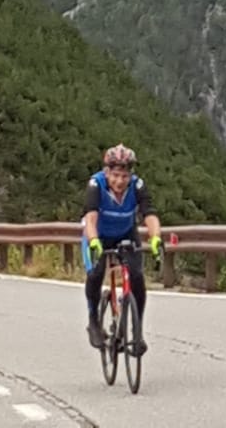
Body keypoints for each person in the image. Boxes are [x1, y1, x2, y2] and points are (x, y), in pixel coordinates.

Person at [83, 143, 162, 354]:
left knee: (137, 276)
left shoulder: (137, 186)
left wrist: (155, 238)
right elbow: (90, 218)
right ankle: (93, 321)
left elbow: (150, 213)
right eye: (115, 175)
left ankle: (137, 333)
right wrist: (93, 241)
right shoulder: (95, 184)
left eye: (124, 176)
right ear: (107, 172)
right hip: (98, 235)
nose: (120, 181)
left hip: (126, 233)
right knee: (96, 273)